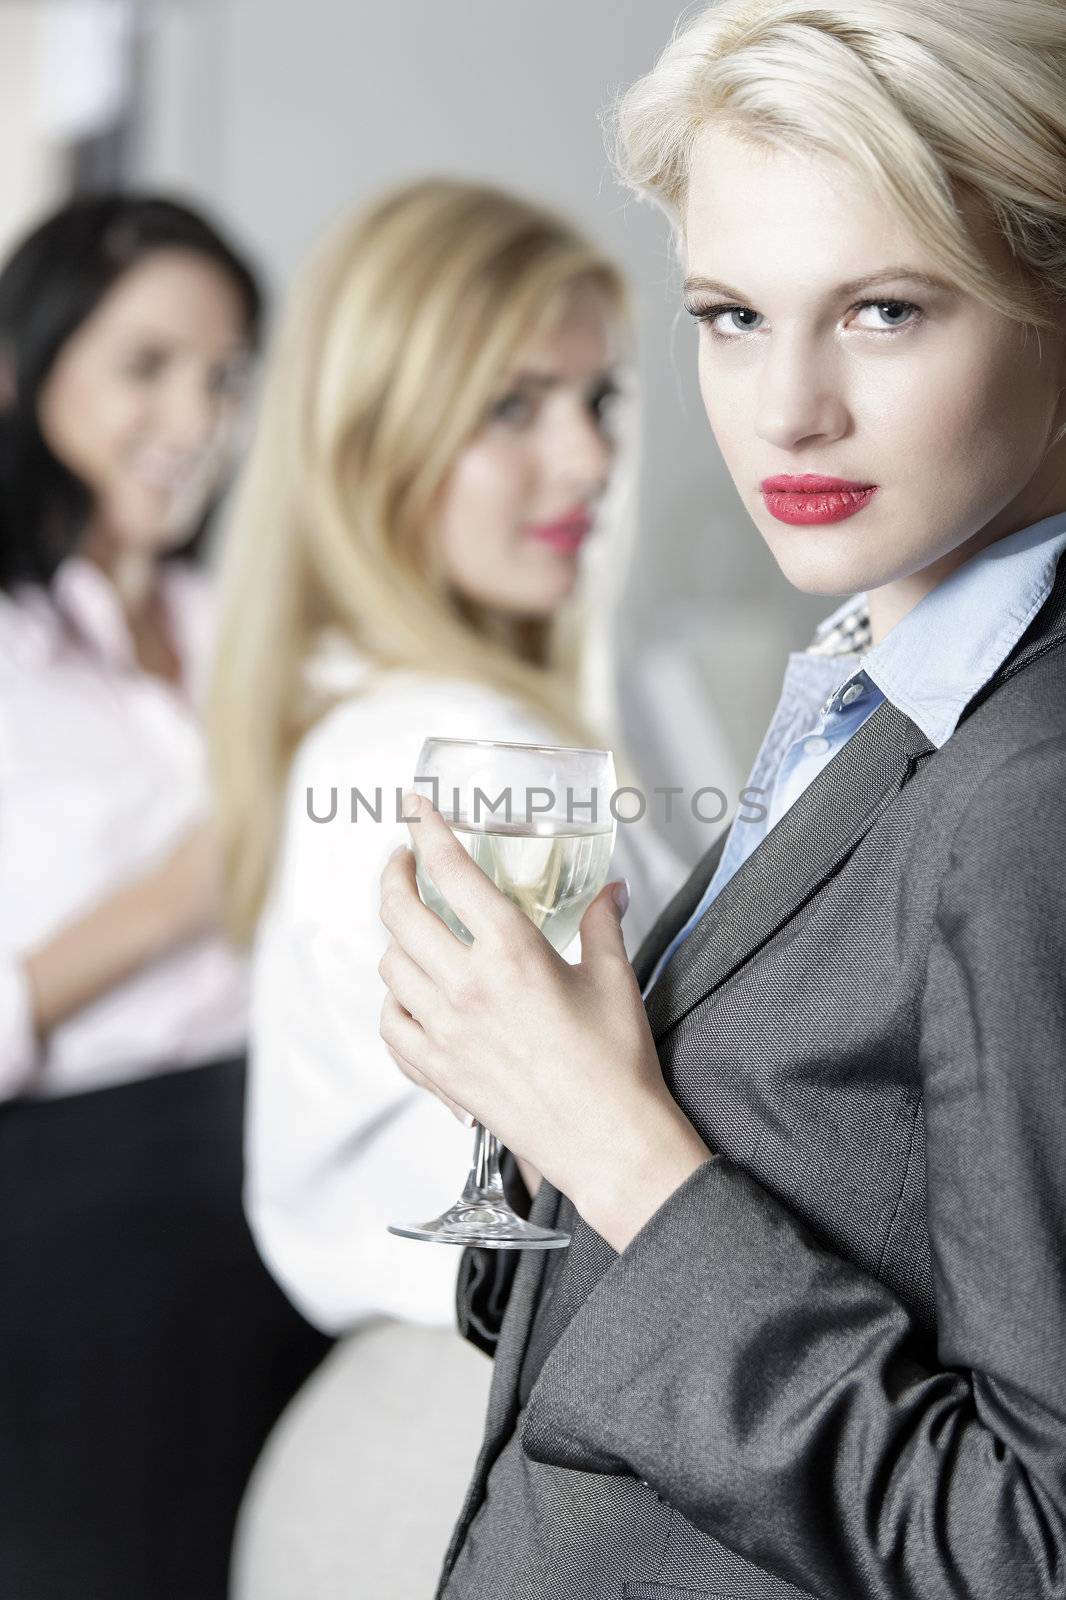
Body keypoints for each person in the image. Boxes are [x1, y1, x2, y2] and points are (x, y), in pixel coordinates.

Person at [376, 3, 1066, 1596]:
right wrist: (544, 1121)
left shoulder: (1025, 796)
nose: (784, 412)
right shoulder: (867, 687)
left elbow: (1022, 1549)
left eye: (885, 311)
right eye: (730, 315)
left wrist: (607, 1138)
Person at [208, 177, 684, 1596]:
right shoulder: (477, 756)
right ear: (377, 433)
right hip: (485, 1452)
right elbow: (615, 1154)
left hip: (398, 1443)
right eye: (513, 408)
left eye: (597, 402)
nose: (587, 462)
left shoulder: (364, 717)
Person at [0, 194, 329, 1600]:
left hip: (273, 1180)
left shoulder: (239, 634)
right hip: (73, 1214)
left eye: (223, 373)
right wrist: (184, 894)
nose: (195, 414)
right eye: (147, 365)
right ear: (26, 366)